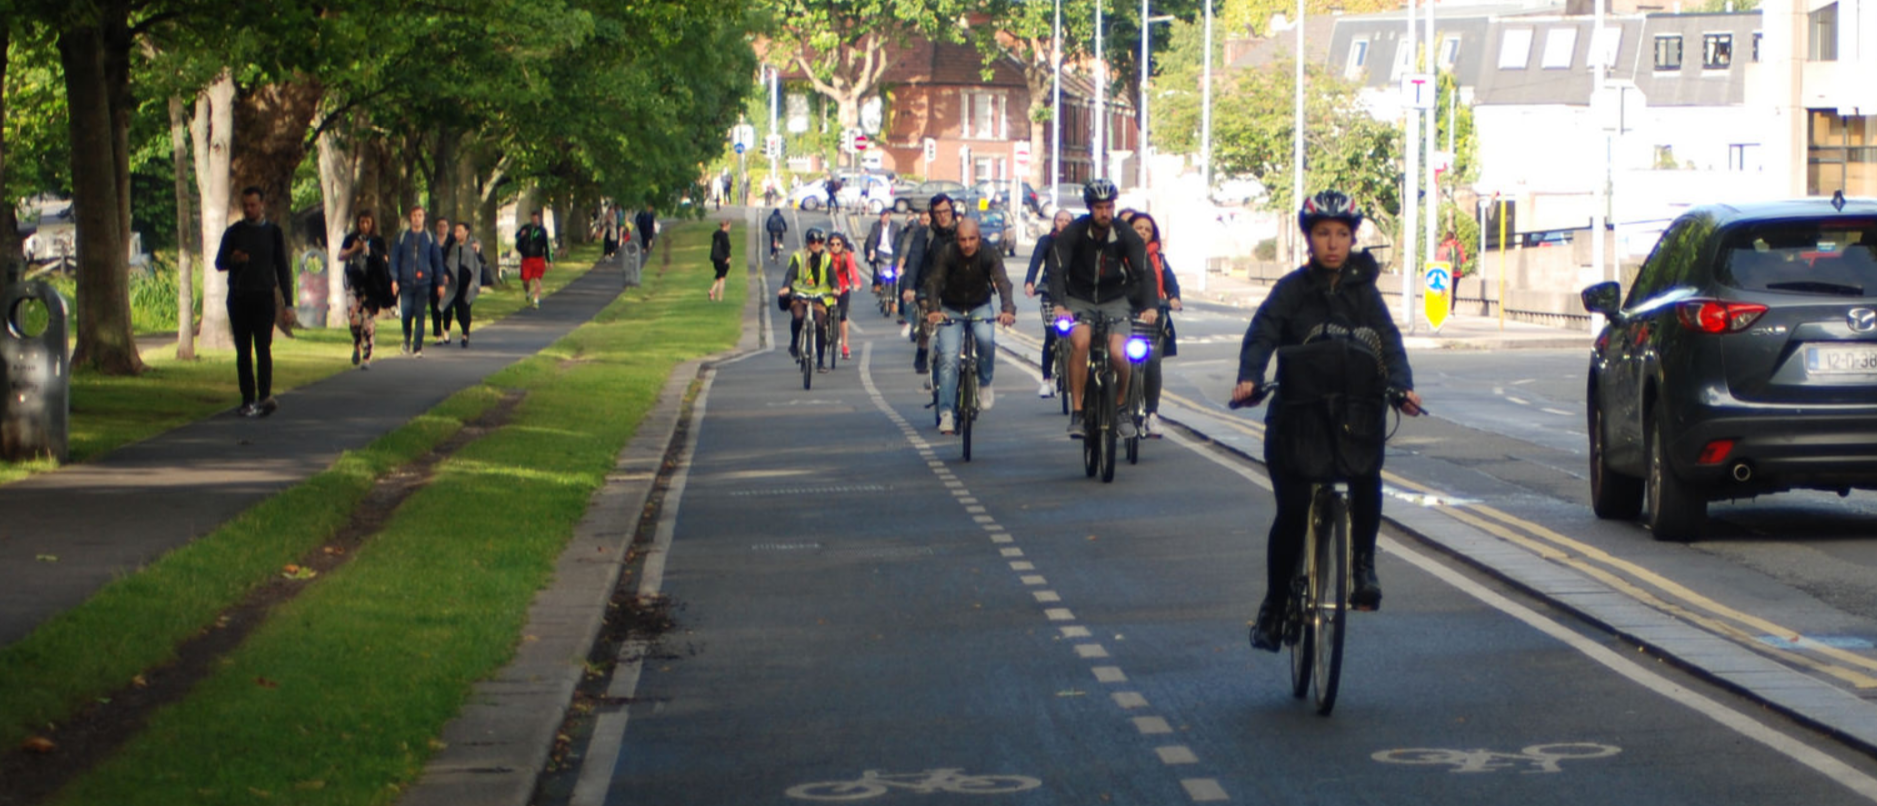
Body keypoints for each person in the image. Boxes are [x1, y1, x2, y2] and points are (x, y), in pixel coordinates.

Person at [1230, 189, 1425, 652]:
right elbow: (1262, 333)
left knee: (1366, 476)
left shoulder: (1365, 293)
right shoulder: (1292, 290)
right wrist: (1249, 378)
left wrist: (1402, 386)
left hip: (1352, 419)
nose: (1333, 244)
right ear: (1309, 238)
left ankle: (1363, 567)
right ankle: (1275, 606)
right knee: (1292, 513)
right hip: (1297, 421)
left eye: (1342, 234)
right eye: (1323, 234)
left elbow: (1388, 341)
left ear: (1353, 238)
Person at [1047, 179, 1157, 438]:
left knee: (1119, 353)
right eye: (1098, 207)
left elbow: (1145, 270)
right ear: (1089, 208)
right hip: (1079, 298)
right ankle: (1077, 413)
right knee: (1081, 342)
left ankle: (1120, 407)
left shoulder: (1123, 232)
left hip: (1115, 299)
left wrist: (1150, 306)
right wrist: (1059, 304)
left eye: (1108, 207)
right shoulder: (1073, 232)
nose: (1104, 213)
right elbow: (1057, 269)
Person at [922, 217, 1018, 435]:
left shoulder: (989, 253)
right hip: (951, 308)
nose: (967, 244)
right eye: (962, 239)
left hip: (979, 306)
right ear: (956, 240)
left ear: (979, 239)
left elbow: (1002, 281)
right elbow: (935, 281)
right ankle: (946, 413)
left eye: (972, 239)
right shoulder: (947, 253)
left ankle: (985, 382)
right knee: (948, 358)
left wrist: (1008, 309)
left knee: (985, 340)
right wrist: (934, 310)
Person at [214, 186, 293, 417]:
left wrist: (289, 304)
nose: (249, 209)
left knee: (263, 348)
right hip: (239, 297)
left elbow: (282, 268)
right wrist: (233, 259)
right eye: (245, 205)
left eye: (253, 205)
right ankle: (247, 399)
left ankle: (265, 396)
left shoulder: (273, 233)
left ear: (262, 205)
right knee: (243, 351)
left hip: (264, 297)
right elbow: (219, 263)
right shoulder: (234, 232)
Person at [1130, 212, 1182, 438]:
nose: (1142, 232)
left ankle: (1151, 413)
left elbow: (1170, 282)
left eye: (1147, 229)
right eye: (1138, 227)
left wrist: (1173, 298)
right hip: (1125, 316)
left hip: (1153, 318)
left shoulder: (1158, 258)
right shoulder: (1119, 254)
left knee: (1152, 362)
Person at [901, 194, 961, 376]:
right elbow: (915, 259)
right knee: (928, 319)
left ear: (952, 212)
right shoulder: (925, 234)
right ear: (933, 215)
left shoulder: (961, 233)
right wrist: (909, 287)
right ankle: (923, 347)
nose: (943, 216)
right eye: (938, 213)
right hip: (927, 286)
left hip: (955, 287)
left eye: (946, 211)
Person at [1025, 209, 1074, 397]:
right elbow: (1036, 261)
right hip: (1049, 291)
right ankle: (1046, 380)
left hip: (1073, 294)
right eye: (1059, 220)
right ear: (1054, 222)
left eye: (1067, 220)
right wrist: (1030, 282)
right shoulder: (1047, 241)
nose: (1063, 223)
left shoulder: (1078, 242)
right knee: (1052, 336)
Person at [339, 209, 392, 371]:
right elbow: (341, 256)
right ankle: (356, 343)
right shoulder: (351, 239)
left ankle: (368, 355)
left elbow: (384, 260)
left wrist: (371, 252)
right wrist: (354, 249)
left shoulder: (377, 241)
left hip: (371, 285)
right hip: (354, 283)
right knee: (354, 319)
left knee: (368, 321)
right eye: (362, 222)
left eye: (368, 222)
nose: (364, 226)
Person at [777, 227, 836, 370]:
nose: (816, 244)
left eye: (819, 241)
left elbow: (832, 276)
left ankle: (821, 361)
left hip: (819, 296)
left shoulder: (826, 258)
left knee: (820, 323)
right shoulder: (799, 256)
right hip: (800, 294)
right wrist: (786, 287)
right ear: (807, 242)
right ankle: (794, 343)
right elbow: (790, 273)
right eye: (812, 241)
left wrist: (835, 287)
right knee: (798, 316)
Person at [390, 205, 443, 356]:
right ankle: (407, 338)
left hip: (424, 282)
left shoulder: (430, 237)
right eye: (414, 215)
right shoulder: (402, 237)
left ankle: (417, 346)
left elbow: (437, 261)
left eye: (420, 215)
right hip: (406, 282)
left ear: (424, 217)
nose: (417, 218)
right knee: (406, 313)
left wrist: (440, 283)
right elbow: (394, 258)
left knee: (420, 314)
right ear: (410, 218)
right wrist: (394, 279)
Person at [442, 222, 481, 348]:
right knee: (447, 306)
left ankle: (465, 334)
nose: (457, 233)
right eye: (456, 230)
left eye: (460, 230)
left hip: (467, 282)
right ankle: (446, 332)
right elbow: (447, 261)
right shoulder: (452, 246)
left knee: (464, 308)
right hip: (453, 281)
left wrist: (478, 251)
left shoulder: (474, 244)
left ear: (467, 231)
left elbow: (480, 262)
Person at [827, 232, 864, 360]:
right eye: (832, 244)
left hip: (843, 288)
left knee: (843, 316)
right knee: (823, 314)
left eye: (838, 244)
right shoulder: (826, 257)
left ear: (842, 245)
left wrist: (857, 283)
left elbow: (853, 270)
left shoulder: (846, 256)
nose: (835, 247)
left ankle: (845, 345)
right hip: (828, 290)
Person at [515, 209, 553, 308]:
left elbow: (547, 246)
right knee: (525, 281)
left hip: (538, 258)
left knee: (537, 279)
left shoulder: (542, 231)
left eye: (536, 219)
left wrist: (549, 261)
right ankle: (528, 293)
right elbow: (517, 236)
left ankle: (536, 299)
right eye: (533, 219)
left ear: (539, 219)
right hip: (526, 259)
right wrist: (521, 236)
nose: (535, 221)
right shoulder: (526, 228)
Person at [431, 215, 455, 346]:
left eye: (444, 226)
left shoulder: (452, 240)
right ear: (436, 227)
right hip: (434, 276)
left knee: (448, 305)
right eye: (440, 226)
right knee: (435, 305)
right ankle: (437, 334)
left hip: (448, 277)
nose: (442, 228)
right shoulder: (431, 240)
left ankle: (446, 330)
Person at [864, 209, 895, 289]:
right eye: (882, 217)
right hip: (880, 250)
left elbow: (898, 240)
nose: (884, 219)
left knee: (894, 269)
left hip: (892, 251)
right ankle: (877, 283)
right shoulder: (875, 225)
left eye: (886, 217)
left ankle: (894, 288)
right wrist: (871, 251)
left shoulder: (896, 226)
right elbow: (872, 239)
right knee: (876, 264)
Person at [709, 219, 733, 301]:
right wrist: (728, 257)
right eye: (729, 226)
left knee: (719, 275)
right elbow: (726, 247)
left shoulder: (716, 235)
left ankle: (712, 290)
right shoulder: (724, 235)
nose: (730, 228)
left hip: (715, 258)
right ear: (725, 226)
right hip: (722, 258)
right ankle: (720, 298)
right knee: (722, 278)